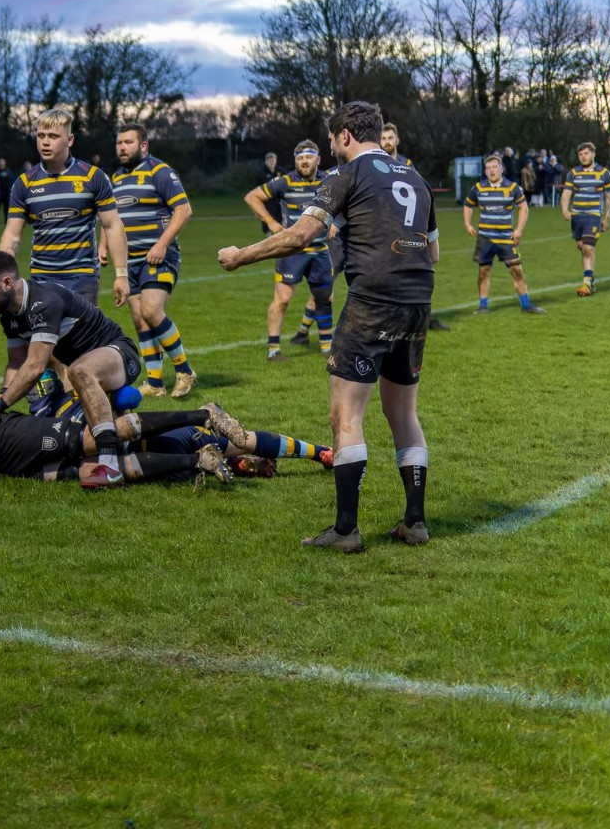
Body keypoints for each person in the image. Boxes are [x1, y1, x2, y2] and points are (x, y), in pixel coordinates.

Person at [219, 100, 437, 553]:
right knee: (404, 415)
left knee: (345, 416)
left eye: (333, 139)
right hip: (418, 303)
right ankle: (414, 522)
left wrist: (240, 256)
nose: (331, 147)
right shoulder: (414, 177)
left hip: (372, 302)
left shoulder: (345, 173)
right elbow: (432, 253)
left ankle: (345, 530)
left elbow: (300, 235)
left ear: (345, 136)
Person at [0, 360, 242, 486]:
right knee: (91, 475)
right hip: (0, 466)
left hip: (8, 437)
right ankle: (198, 460)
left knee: (95, 441)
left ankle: (204, 415)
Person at [0, 249, 147, 479]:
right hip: (85, 371)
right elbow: (16, 363)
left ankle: (109, 466)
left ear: (7, 283)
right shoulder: (9, 316)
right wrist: (4, 392)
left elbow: (34, 366)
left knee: (80, 371)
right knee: (70, 427)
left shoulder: (43, 302)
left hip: (121, 353)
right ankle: (123, 426)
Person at [0, 108, 129, 309]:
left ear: (70, 140)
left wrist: (121, 275)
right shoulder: (24, 183)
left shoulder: (92, 177)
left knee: (81, 331)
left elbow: (112, 226)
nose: (45, 142)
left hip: (82, 278)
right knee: (46, 331)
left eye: (53, 136)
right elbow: (12, 234)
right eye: (41, 136)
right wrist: (2, 273)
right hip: (42, 279)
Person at [107, 124, 196, 397]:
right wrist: (103, 246)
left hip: (159, 257)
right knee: (140, 320)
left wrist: (162, 243)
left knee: (151, 311)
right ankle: (155, 384)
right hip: (130, 261)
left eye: (128, 142)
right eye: (119, 143)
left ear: (143, 145)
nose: (122, 147)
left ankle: (184, 371)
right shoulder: (116, 178)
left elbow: (183, 210)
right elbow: (112, 220)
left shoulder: (160, 171)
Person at [243, 140, 336, 361]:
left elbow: (347, 200)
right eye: (300, 158)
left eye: (308, 157)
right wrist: (271, 223)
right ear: (295, 162)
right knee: (283, 299)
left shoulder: (329, 180)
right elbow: (252, 197)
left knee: (325, 298)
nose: (304, 162)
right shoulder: (285, 182)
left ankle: (327, 348)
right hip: (291, 252)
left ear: (318, 159)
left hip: (320, 251)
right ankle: (273, 351)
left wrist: (337, 221)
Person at [380, 122, 449, 332]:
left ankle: (421, 317)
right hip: (385, 227)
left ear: (397, 140)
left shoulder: (407, 164)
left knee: (419, 270)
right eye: (383, 138)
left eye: (390, 138)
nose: (387, 142)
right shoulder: (376, 163)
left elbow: (418, 192)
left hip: (410, 226)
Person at [463, 154, 545, 314]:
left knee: (517, 270)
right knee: (483, 272)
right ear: (485, 171)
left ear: (502, 169)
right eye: (488, 168)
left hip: (506, 238)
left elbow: (524, 208)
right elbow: (467, 205)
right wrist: (467, 223)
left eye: (494, 167)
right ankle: (483, 306)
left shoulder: (512, 187)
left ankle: (526, 305)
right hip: (485, 238)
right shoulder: (478, 188)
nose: (491, 170)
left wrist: (519, 230)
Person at [560, 141, 610, 297]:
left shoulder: (604, 173)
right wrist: (565, 209)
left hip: (593, 216)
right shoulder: (573, 173)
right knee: (582, 247)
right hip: (577, 217)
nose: (583, 157)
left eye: (586, 153)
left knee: (588, 248)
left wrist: (607, 218)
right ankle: (591, 279)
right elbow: (566, 193)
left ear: (593, 154)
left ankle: (586, 283)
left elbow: (609, 198)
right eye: (580, 154)